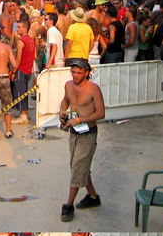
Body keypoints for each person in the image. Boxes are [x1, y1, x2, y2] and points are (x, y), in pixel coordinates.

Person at [58, 59, 105, 223]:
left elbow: (101, 114)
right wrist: (62, 110)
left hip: (88, 134)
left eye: (79, 72)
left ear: (86, 73)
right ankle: (93, 197)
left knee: (78, 168)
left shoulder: (93, 89)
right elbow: (66, 101)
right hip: (74, 133)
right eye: (73, 72)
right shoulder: (68, 86)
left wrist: (79, 120)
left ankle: (68, 205)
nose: (76, 75)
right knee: (79, 166)